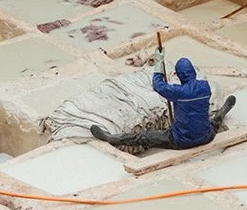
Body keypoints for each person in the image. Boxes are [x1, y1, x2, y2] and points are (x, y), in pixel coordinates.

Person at [91, 57, 236, 151]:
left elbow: (158, 85)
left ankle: (112, 138)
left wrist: (159, 65)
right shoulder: (204, 86)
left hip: (181, 140)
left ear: (179, 75)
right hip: (206, 136)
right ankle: (225, 109)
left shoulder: (178, 92)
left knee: (144, 137)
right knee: (213, 122)